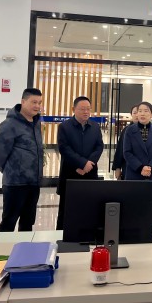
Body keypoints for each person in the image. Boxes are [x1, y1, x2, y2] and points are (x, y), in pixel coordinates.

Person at [0, 88, 43, 232]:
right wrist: (11, 170)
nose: (37, 106)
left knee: (27, 223)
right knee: (9, 222)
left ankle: (24, 247)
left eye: (39, 103)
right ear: (23, 102)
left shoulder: (36, 123)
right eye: (34, 102)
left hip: (34, 183)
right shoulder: (9, 124)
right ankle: (2, 246)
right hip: (15, 184)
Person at [56, 96, 104, 230]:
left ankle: (88, 233)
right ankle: (63, 234)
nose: (86, 112)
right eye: (82, 109)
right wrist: (82, 164)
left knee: (89, 207)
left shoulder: (95, 126)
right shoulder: (64, 127)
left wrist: (89, 164)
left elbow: (99, 146)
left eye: (88, 109)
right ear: (73, 109)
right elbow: (64, 149)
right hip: (70, 173)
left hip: (90, 173)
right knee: (67, 209)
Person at [123, 102, 152, 180]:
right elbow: (127, 152)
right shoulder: (129, 130)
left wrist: (150, 167)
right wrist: (140, 167)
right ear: (137, 114)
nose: (142, 114)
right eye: (140, 111)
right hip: (134, 172)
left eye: (146, 111)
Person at [112, 105, 139, 180]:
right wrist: (117, 167)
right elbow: (120, 149)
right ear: (131, 115)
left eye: (139, 112)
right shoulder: (126, 130)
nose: (137, 115)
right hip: (128, 166)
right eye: (134, 113)